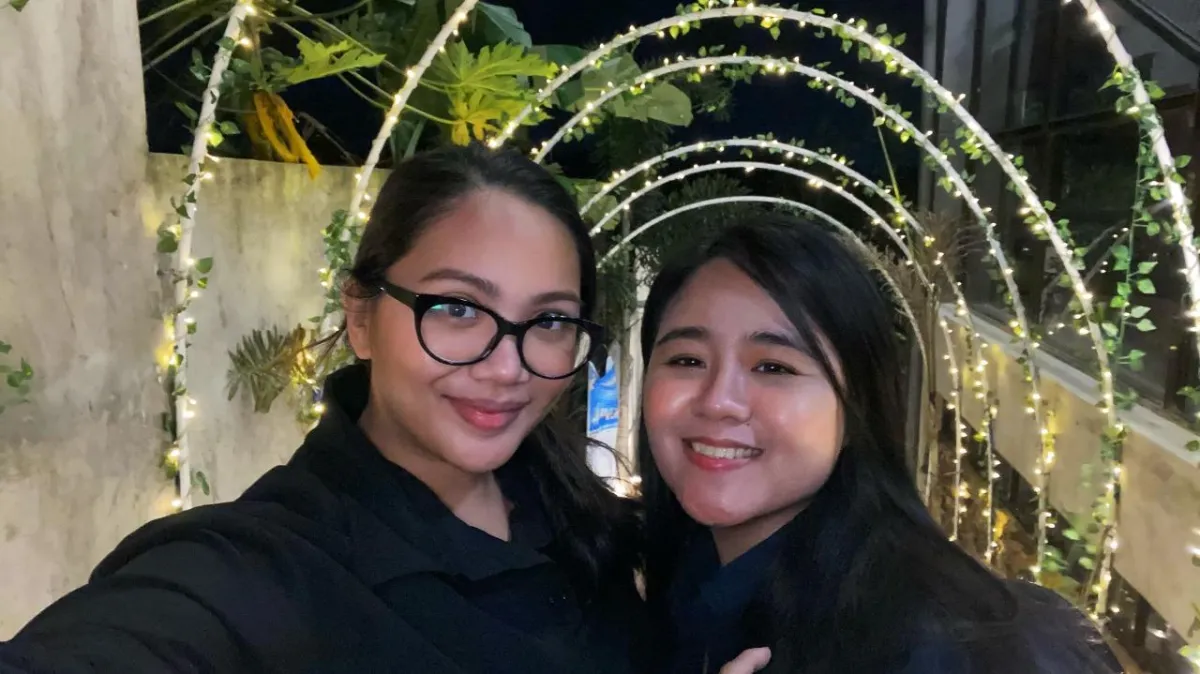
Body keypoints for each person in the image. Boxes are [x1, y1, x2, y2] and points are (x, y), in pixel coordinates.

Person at [0, 144, 647, 674]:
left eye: (550, 320)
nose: (506, 368)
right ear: (361, 317)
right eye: (456, 308)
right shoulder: (267, 568)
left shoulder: (572, 505)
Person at [636, 214, 1123, 674]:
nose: (719, 401)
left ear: (857, 408)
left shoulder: (934, 647)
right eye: (687, 360)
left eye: (773, 367)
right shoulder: (673, 578)